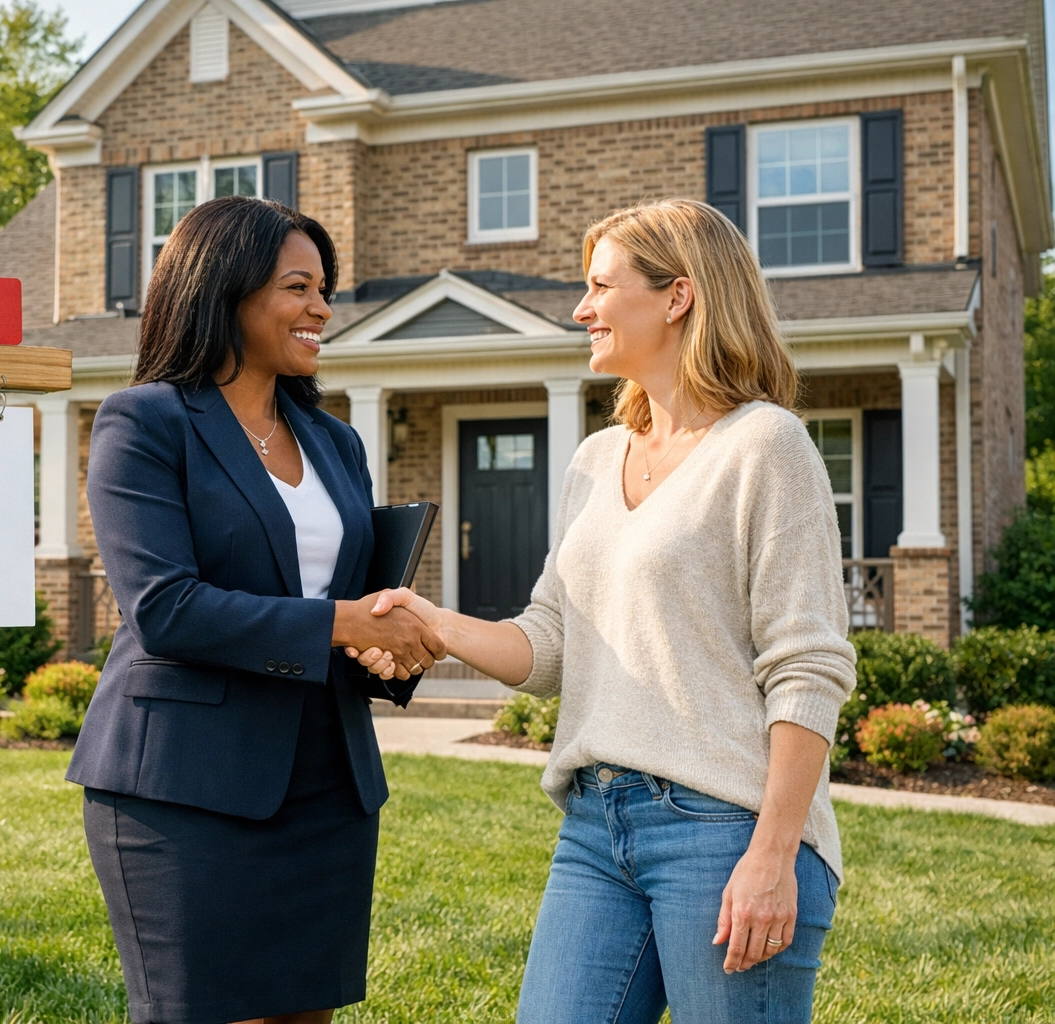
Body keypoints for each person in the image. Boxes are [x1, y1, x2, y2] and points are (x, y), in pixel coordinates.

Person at [349, 199, 857, 1023]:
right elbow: (551, 642)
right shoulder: (595, 458)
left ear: (678, 296)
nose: (582, 309)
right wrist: (432, 622)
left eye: (599, 286)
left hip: (725, 827)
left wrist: (774, 852)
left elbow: (808, 665)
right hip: (595, 825)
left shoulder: (765, 446)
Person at [69, 196, 445, 1024]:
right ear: (225, 290)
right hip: (185, 786)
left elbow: (349, 595)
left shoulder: (334, 440)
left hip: (329, 780)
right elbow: (165, 608)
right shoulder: (146, 421)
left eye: (324, 291)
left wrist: (392, 640)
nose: (322, 310)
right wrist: (344, 623)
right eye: (298, 288)